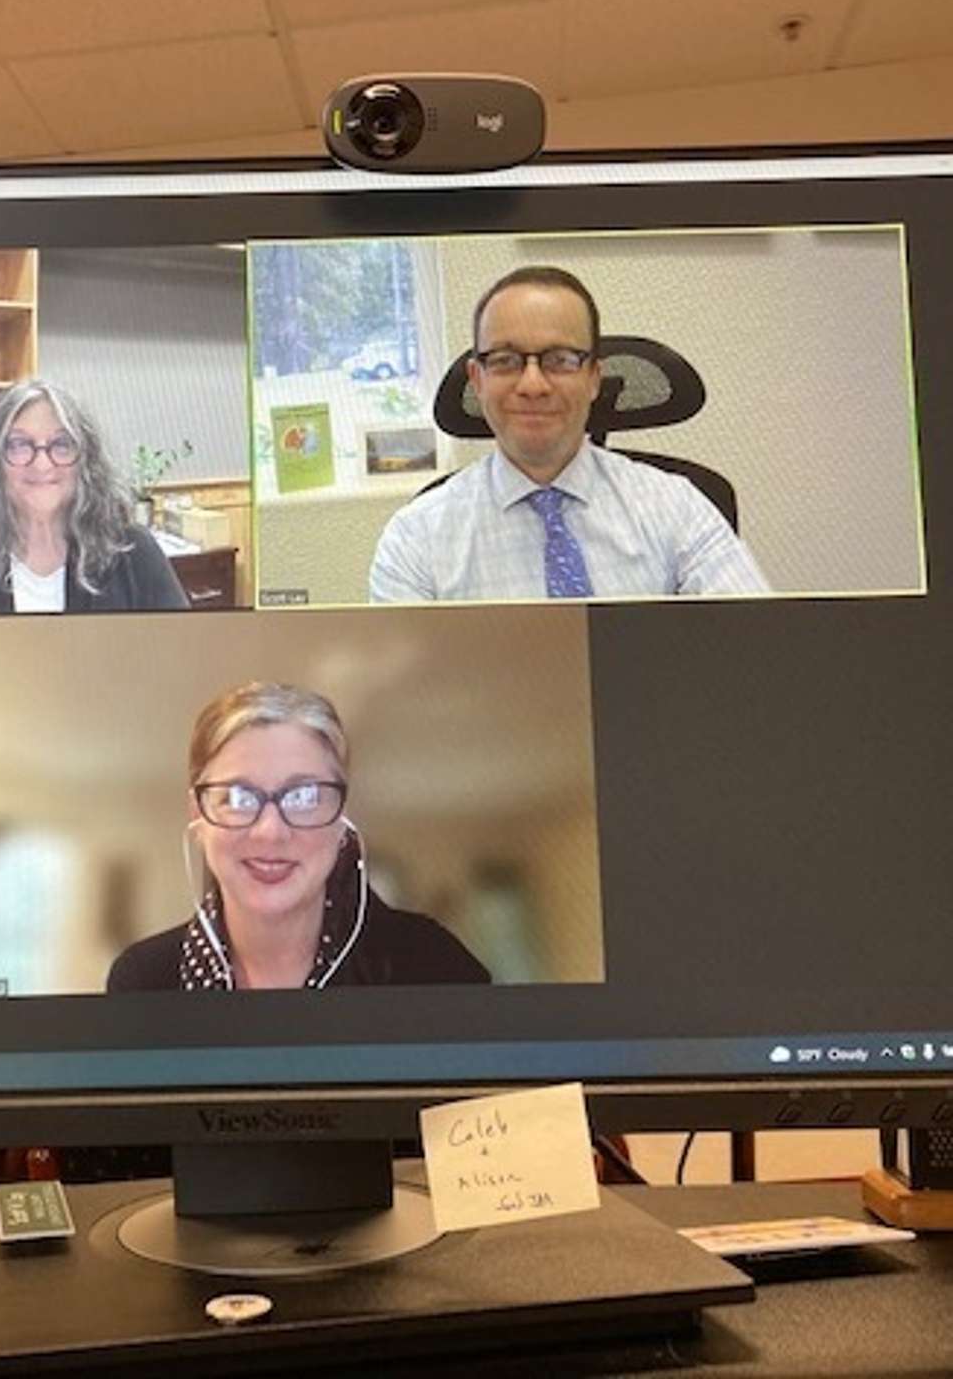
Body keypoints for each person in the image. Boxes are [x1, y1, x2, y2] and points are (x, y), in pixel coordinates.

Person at [369, 266, 770, 602]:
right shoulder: (415, 539)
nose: (533, 385)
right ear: (477, 380)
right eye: (505, 360)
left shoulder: (678, 507)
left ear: (594, 377)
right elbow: (403, 675)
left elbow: (755, 646)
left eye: (560, 360)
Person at [107, 681, 490, 991]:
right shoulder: (144, 981)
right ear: (197, 815)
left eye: (303, 797)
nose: (270, 832)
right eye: (239, 797)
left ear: (341, 816)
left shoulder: (433, 965)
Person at [0, 378, 190, 615]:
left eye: (61, 444)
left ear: (86, 461)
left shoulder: (133, 551)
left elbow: (182, 657)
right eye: (20, 445)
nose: (42, 464)